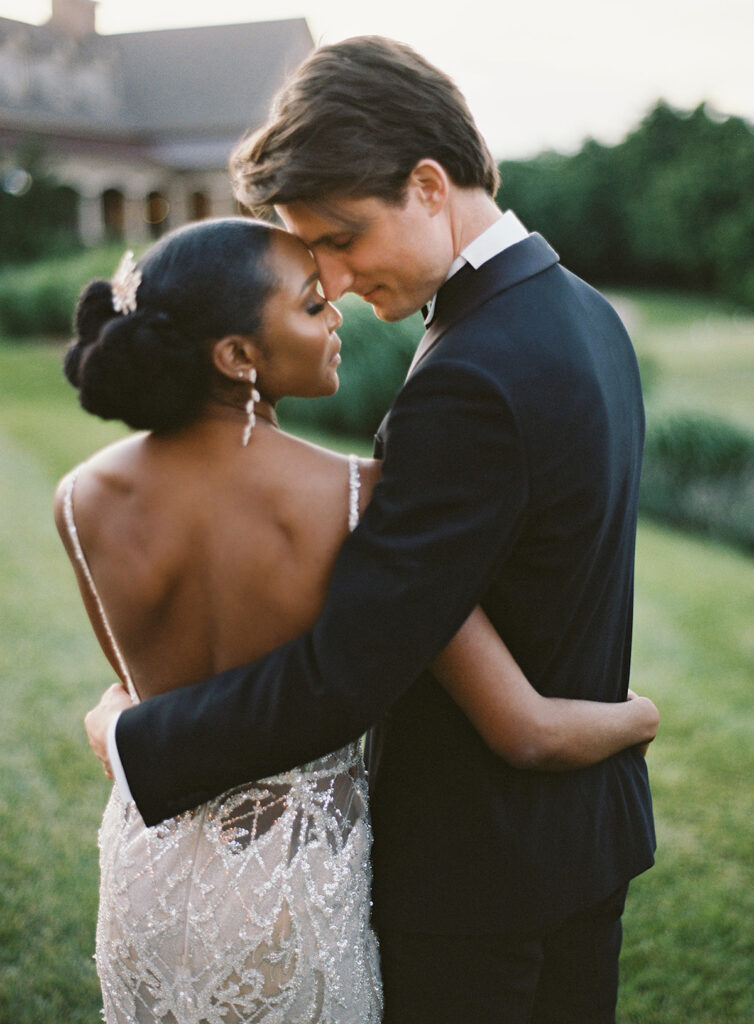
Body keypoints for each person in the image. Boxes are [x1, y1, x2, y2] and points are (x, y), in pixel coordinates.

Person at [82, 36, 657, 1024]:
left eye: (342, 238)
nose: (337, 280)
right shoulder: (583, 313)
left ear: (428, 185)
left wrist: (136, 741)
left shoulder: (470, 377)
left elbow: (347, 670)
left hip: (474, 882)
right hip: (581, 845)